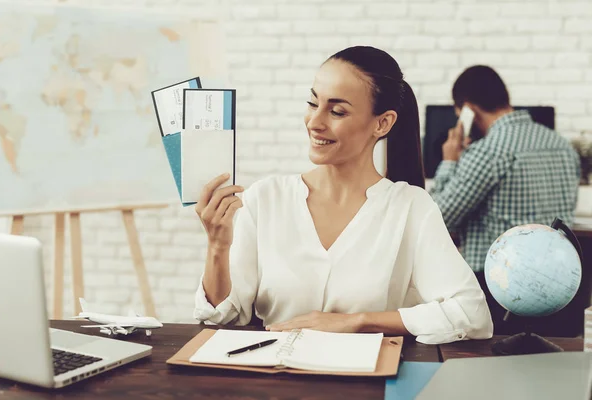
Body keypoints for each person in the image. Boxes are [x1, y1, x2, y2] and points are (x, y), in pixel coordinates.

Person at [193, 46, 493, 345]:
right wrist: (218, 246)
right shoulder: (265, 198)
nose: (315, 122)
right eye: (313, 103)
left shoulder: (410, 207)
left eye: (337, 111)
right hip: (275, 383)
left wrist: (356, 322)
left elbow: (472, 314)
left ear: (382, 123)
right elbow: (223, 318)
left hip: (367, 384)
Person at [430, 65, 580, 331]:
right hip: (559, 286)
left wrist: (450, 162)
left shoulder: (488, 151)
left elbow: (438, 219)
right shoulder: (561, 145)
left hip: (503, 289)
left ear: (468, 110)